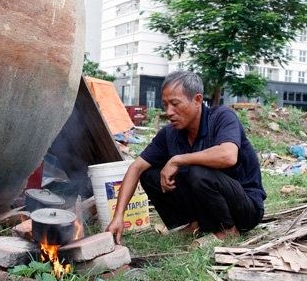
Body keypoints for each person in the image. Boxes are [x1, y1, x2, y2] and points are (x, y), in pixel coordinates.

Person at [106, 70, 266, 246]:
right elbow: (136, 167)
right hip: (206, 206)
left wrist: (177, 160)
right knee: (149, 174)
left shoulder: (222, 117)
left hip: (244, 208)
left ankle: (228, 231)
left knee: (199, 171)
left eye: (175, 104)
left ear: (197, 100)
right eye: (165, 104)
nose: (169, 112)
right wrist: (118, 216)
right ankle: (196, 224)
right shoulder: (170, 133)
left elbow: (228, 156)